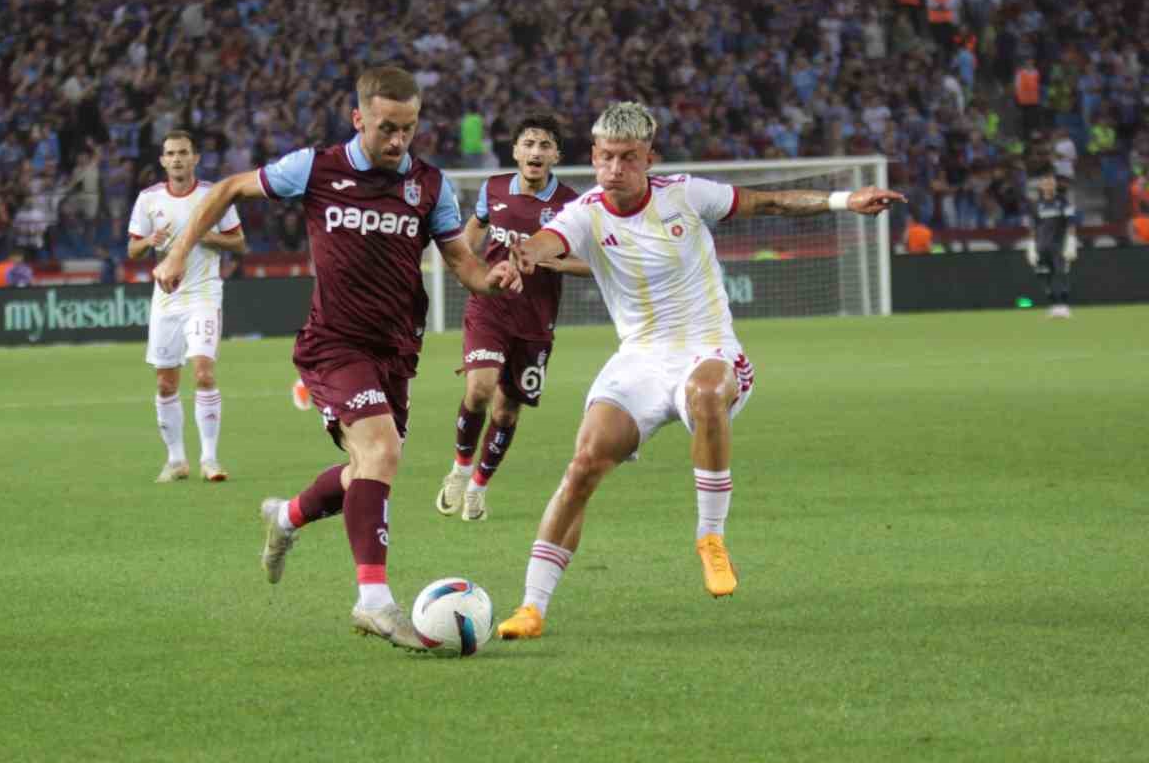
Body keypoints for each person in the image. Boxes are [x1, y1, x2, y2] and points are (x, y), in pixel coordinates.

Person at [496, 101, 902, 640]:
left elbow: (770, 201)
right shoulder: (585, 212)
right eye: (606, 158)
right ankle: (532, 606)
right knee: (583, 467)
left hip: (709, 349)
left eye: (628, 158)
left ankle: (710, 538)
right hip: (639, 359)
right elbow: (550, 241)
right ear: (593, 157)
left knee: (706, 394)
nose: (616, 169)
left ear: (649, 158)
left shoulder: (685, 195)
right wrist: (525, 255)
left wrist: (843, 199)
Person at [151, 67, 522, 650]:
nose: (398, 141)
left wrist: (494, 279)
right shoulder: (316, 168)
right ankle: (373, 601)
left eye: (409, 128)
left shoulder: (430, 185)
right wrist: (177, 253)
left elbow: (463, 266)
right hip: (333, 343)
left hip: (397, 349)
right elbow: (224, 190)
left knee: (365, 472)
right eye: (385, 128)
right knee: (382, 450)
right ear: (359, 119)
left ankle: (287, 517)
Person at [435, 113, 586, 522]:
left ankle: (479, 488)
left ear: (556, 155)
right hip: (491, 305)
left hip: (536, 319)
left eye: (545, 145)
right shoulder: (494, 188)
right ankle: (459, 470)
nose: (536, 152)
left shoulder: (571, 204)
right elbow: (472, 232)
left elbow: (593, 263)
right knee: (480, 388)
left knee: (506, 412)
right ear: (516, 151)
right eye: (529, 144)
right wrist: (469, 266)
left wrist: (555, 263)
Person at [128, 130, 247, 484]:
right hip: (166, 301)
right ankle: (176, 459)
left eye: (183, 153)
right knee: (166, 383)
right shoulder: (148, 199)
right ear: (163, 161)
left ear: (195, 158)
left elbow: (239, 242)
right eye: (170, 153)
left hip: (204, 296)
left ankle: (209, 459)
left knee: (203, 373)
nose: (177, 159)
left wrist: (203, 234)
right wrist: (151, 241)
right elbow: (132, 249)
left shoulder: (214, 196)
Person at [1024, 171, 1077, 319]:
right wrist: (1031, 246)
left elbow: (1071, 224)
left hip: (1058, 245)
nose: (1048, 185)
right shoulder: (1036, 205)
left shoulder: (1063, 202)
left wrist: (1071, 242)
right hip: (1042, 246)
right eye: (1046, 183)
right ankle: (1053, 305)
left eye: (1051, 183)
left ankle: (1064, 306)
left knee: (1061, 274)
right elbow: (1033, 227)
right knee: (1044, 275)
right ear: (1041, 186)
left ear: (1055, 185)